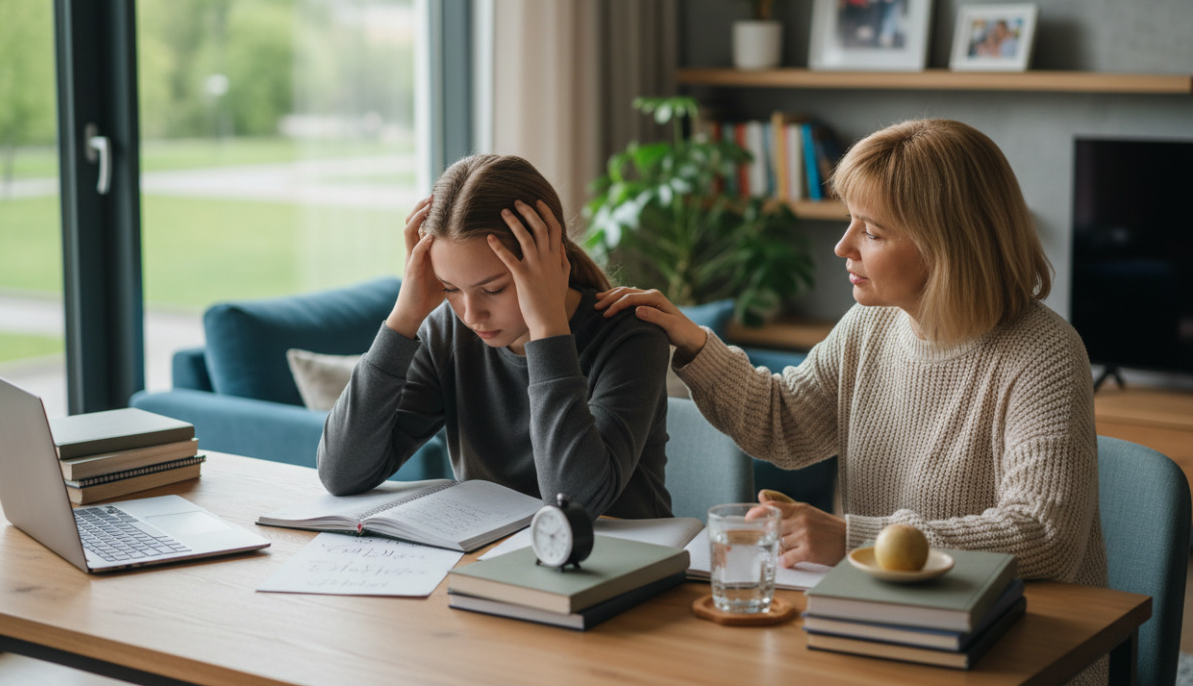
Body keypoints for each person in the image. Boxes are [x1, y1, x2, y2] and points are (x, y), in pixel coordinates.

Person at [596, 118, 1107, 586]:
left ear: (947, 246)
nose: (843, 246)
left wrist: (855, 539)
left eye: (872, 231)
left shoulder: (1043, 354)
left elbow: (1045, 535)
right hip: (897, 609)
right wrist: (693, 342)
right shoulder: (871, 323)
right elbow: (784, 422)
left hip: (1019, 632)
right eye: (850, 221)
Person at [318, 153, 673, 519]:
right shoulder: (447, 332)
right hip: (491, 561)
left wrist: (547, 332)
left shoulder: (631, 337)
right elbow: (342, 473)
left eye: (493, 289)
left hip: (622, 562)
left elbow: (575, 502)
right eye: (450, 288)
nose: (472, 315)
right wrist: (403, 319)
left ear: (551, 262)